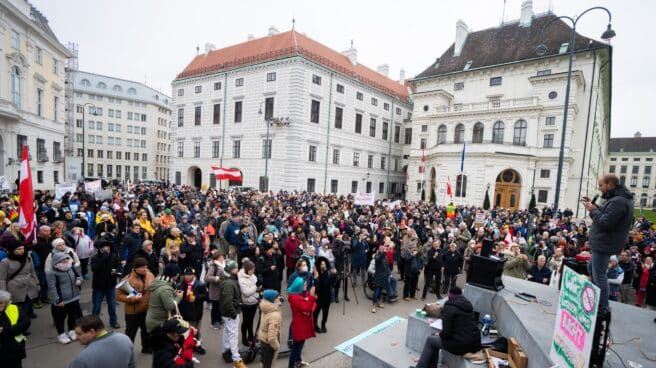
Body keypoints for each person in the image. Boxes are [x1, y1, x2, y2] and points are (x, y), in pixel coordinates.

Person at [582, 174, 634, 315]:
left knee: (599, 275)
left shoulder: (618, 201)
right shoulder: (618, 200)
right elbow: (607, 214)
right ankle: (595, 301)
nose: (599, 189)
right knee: (591, 267)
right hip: (603, 242)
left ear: (610, 185)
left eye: (601, 185)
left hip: (605, 242)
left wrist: (593, 210)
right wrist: (594, 206)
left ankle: (602, 308)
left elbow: (606, 222)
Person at [409, 287, 481, 368]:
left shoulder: (449, 307)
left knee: (430, 340)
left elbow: (446, 333)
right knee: (434, 338)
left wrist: (440, 333)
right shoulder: (467, 305)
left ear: (449, 295)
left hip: (460, 345)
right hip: (473, 343)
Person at [116, 257, 154, 354]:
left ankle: (146, 347)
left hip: (146, 310)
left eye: (146, 267)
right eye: (142, 267)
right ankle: (127, 352)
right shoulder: (128, 279)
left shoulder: (149, 275)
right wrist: (132, 298)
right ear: (135, 268)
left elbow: (154, 286)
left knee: (146, 331)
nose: (145, 269)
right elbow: (118, 296)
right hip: (133, 312)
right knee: (130, 334)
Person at [68, 314, 135, 368]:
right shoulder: (125, 339)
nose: (76, 338)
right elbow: (131, 365)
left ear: (91, 332)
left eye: (79, 334)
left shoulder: (81, 359)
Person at [46, 252, 83, 344]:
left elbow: (79, 276)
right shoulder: (51, 273)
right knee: (60, 318)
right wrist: (58, 300)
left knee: (72, 316)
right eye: (62, 260)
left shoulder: (71, 268)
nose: (65, 261)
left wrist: (80, 280)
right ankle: (61, 334)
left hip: (74, 298)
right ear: (56, 262)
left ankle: (71, 331)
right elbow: (52, 287)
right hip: (61, 301)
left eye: (66, 259)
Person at [0, 238, 39, 319]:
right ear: (12, 250)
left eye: (23, 248)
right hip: (15, 288)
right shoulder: (5, 262)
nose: (22, 250)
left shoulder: (28, 258)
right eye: (19, 249)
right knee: (19, 308)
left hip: (29, 285)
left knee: (29, 303)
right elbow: (2, 278)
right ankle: (22, 326)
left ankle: (28, 316)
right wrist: (3, 293)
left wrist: (37, 283)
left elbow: (32, 271)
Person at [219, 260, 247, 368]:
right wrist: (233, 313)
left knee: (227, 332)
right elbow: (227, 301)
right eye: (236, 268)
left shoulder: (229, 280)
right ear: (231, 270)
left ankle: (226, 351)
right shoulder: (229, 283)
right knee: (233, 335)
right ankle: (237, 359)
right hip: (231, 313)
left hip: (228, 313)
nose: (238, 270)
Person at [90, 240, 121, 329]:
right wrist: (103, 258)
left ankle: (113, 321)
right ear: (100, 249)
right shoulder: (95, 258)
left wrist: (117, 271)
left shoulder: (114, 256)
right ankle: (94, 325)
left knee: (112, 305)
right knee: (96, 307)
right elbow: (94, 269)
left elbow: (118, 267)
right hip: (98, 287)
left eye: (107, 246)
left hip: (110, 285)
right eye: (103, 247)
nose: (106, 248)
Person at [177, 267, 207, 355]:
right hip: (184, 313)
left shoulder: (199, 285)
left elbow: (206, 296)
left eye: (189, 275)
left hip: (196, 313)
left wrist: (196, 298)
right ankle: (186, 348)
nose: (187, 277)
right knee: (185, 332)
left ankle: (197, 346)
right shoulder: (180, 285)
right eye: (186, 275)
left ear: (193, 275)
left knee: (196, 331)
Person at [145, 263, 183, 334]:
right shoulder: (165, 288)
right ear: (176, 275)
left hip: (154, 319)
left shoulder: (160, 281)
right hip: (158, 323)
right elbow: (170, 306)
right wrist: (179, 297)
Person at [287, 277, 316, 368]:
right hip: (300, 327)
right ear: (299, 286)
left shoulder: (301, 294)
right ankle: (291, 366)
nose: (306, 285)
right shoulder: (295, 298)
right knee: (296, 348)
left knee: (300, 345)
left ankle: (298, 361)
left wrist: (309, 302)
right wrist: (311, 297)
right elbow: (308, 308)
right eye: (304, 284)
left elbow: (312, 307)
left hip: (303, 325)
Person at [0, 290, 30, 368]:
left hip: (14, 349)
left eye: (1, 303)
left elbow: (26, 323)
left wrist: (5, 329)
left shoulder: (14, 309)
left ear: (5, 301)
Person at [258, 289, 282, 368]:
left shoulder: (265, 307)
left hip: (263, 339)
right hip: (269, 344)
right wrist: (276, 346)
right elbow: (272, 337)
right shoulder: (274, 314)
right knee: (269, 365)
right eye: (277, 297)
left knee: (264, 363)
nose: (279, 298)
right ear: (272, 299)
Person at [205, 250, 228, 329]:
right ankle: (214, 322)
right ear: (217, 258)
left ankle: (219, 319)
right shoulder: (213, 266)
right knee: (215, 307)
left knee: (220, 306)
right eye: (221, 257)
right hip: (215, 290)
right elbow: (207, 278)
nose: (223, 258)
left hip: (222, 290)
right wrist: (216, 278)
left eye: (223, 257)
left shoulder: (224, 265)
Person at [238, 259, 258, 346]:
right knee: (246, 321)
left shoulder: (252, 276)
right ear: (248, 269)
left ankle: (250, 336)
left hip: (254, 301)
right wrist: (255, 287)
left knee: (251, 320)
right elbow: (246, 292)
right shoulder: (241, 279)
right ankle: (244, 338)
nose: (253, 271)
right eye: (252, 269)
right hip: (246, 304)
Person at [312, 256, 333, 333]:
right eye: (321, 264)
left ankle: (323, 324)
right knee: (316, 312)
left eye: (324, 264)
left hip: (327, 296)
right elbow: (313, 285)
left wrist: (335, 275)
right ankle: (315, 326)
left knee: (325, 312)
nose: (323, 266)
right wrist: (316, 277)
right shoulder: (315, 274)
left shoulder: (328, 273)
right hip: (318, 297)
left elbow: (333, 283)